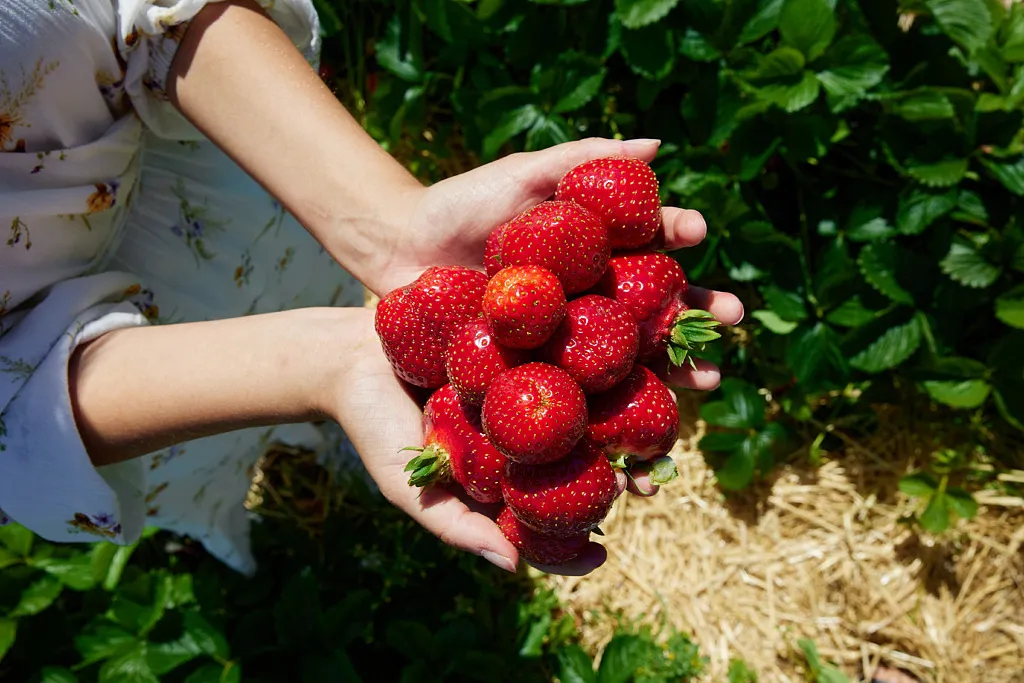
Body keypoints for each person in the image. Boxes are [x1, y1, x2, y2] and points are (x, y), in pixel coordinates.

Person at [0, 0, 743, 577]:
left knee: (312, 285)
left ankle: (329, 425)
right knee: (200, 460)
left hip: (225, 177)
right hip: (119, 390)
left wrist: (387, 227)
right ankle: (232, 503)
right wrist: (320, 368)